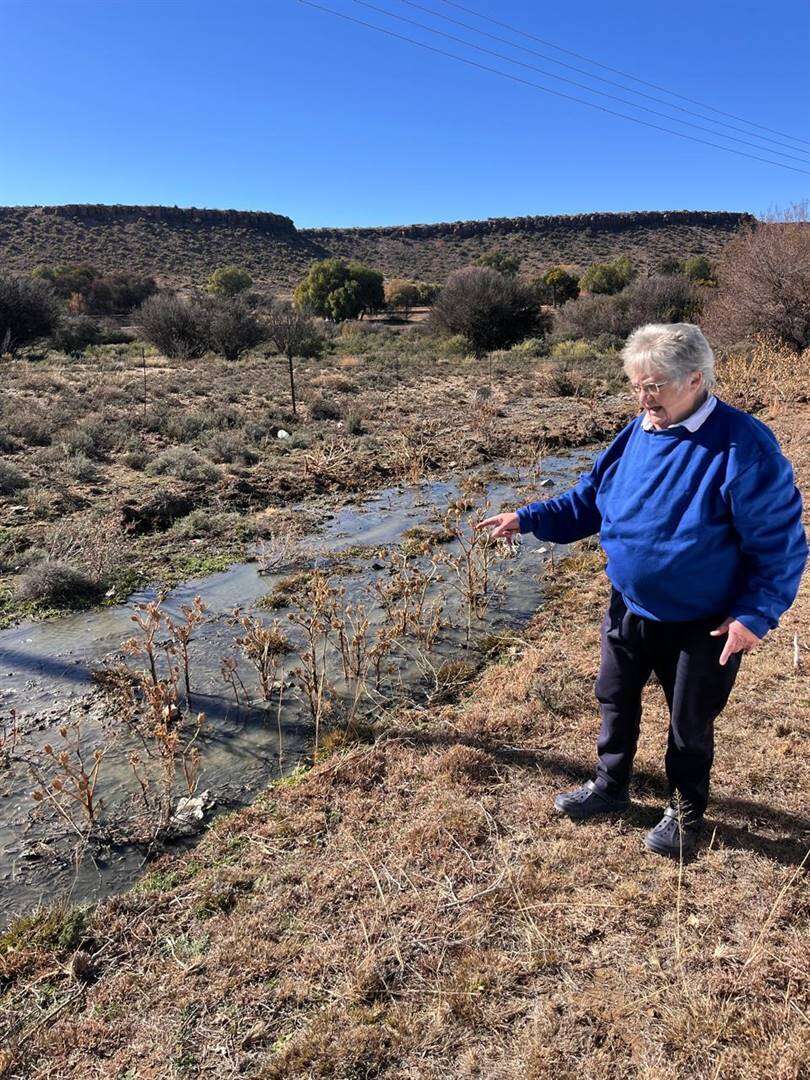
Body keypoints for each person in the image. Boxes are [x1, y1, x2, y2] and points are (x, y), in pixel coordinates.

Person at [477, 323, 807, 858]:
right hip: (629, 607)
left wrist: (755, 615)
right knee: (614, 699)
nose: (643, 397)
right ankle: (610, 787)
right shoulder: (637, 433)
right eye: (636, 386)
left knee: (688, 722)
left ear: (695, 379)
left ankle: (685, 811)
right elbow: (590, 498)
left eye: (654, 385)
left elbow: (782, 545)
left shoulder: (743, 446)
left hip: (705, 621)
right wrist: (529, 517)